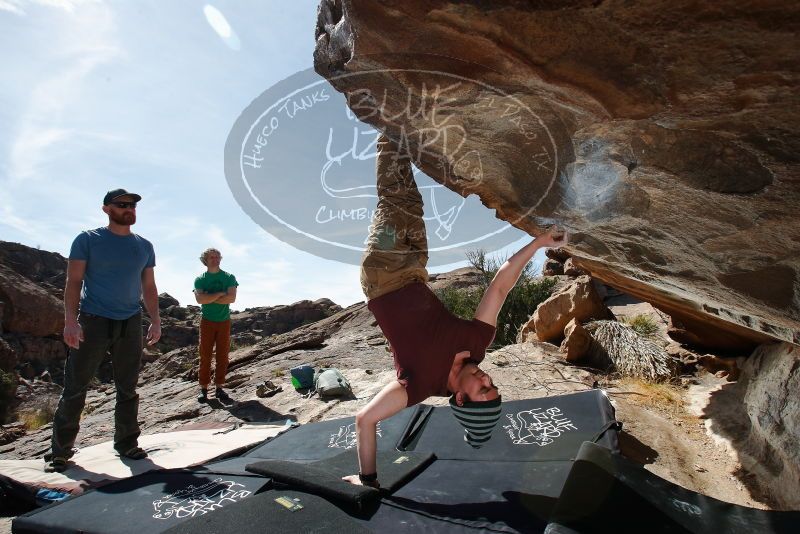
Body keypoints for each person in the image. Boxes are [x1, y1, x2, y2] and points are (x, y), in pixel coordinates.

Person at [343, 135, 567, 488]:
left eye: (482, 390)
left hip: (383, 270)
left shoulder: (417, 385)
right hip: (415, 267)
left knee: (393, 201)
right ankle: (395, 134)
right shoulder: (478, 342)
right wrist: (538, 243)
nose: (486, 378)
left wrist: (367, 480)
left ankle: (388, 128)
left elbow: (364, 419)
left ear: (460, 398)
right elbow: (500, 287)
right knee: (409, 201)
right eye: (492, 385)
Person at [47, 188, 161, 473]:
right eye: (122, 205)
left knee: (128, 387)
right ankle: (60, 452)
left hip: (130, 321)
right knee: (76, 386)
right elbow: (74, 282)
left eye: (132, 205)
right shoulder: (88, 240)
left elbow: (148, 286)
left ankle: (126, 443)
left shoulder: (144, 245)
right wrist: (70, 321)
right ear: (106, 209)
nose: (129, 209)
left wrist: (156, 320)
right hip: (94, 320)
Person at [193, 248, 238, 404]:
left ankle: (219, 388)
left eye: (218, 257)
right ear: (205, 259)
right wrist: (219, 294)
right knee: (205, 355)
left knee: (222, 356)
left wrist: (209, 297)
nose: (215, 259)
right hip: (207, 321)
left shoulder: (229, 277)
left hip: (224, 321)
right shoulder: (200, 279)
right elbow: (200, 300)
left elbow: (231, 299)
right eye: (212, 257)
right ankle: (203, 389)